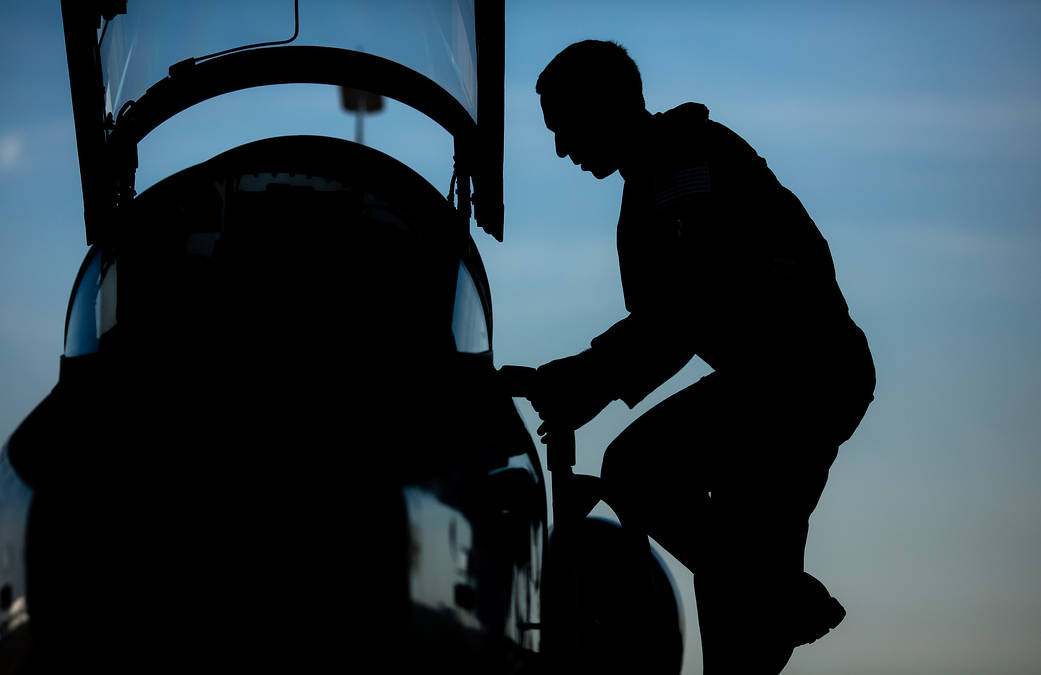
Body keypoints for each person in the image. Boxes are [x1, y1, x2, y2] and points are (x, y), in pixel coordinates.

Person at [528, 40, 876, 673]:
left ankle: (778, 593)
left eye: (566, 128)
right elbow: (667, 322)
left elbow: (688, 307)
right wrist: (582, 381)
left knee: (638, 471)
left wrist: (583, 380)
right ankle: (776, 594)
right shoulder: (653, 184)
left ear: (606, 106)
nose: (561, 150)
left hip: (800, 379)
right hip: (783, 384)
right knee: (737, 592)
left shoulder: (686, 164)